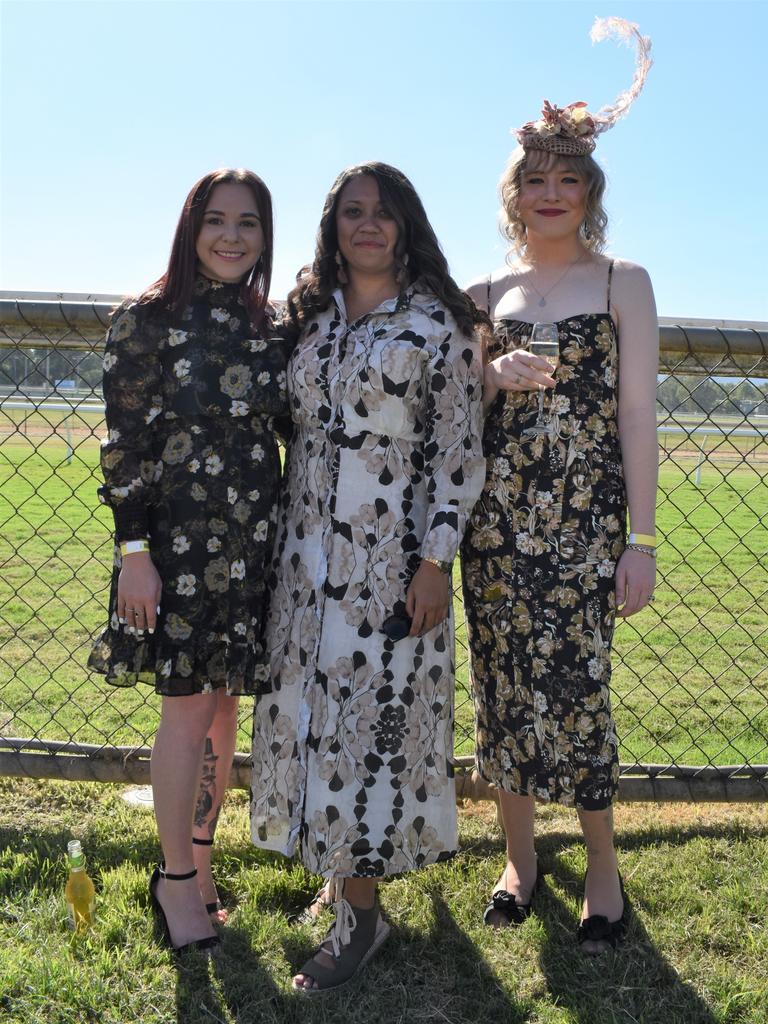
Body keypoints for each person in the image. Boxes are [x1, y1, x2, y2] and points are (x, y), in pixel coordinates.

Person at [249, 162, 487, 992]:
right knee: (311, 717)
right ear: (333, 225)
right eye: (352, 211)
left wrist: (434, 562)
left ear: (407, 224)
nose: (368, 225)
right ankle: (336, 880)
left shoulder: (438, 323)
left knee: (366, 726)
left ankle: (363, 918)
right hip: (303, 560)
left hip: (389, 566)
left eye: (384, 213)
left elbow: (460, 454)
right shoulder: (309, 317)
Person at [461, 18, 658, 954]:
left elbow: (635, 417)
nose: (550, 194)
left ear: (590, 190)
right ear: (515, 192)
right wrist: (486, 373)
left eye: (566, 178)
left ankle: (605, 871)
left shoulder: (624, 279)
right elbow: (451, 395)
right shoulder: (484, 287)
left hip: (585, 524)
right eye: (534, 180)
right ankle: (519, 860)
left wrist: (641, 539)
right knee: (502, 688)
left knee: (579, 691)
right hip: (494, 521)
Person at [89, 168, 289, 953]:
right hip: (173, 546)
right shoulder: (144, 319)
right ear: (189, 225)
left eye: (248, 223)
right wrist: (133, 553)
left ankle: (202, 869)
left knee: (224, 704)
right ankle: (173, 884)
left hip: (251, 542)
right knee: (185, 707)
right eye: (216, 220)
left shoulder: (266, 324)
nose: (231, 236)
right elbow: (123, 447)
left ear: (265, 236)